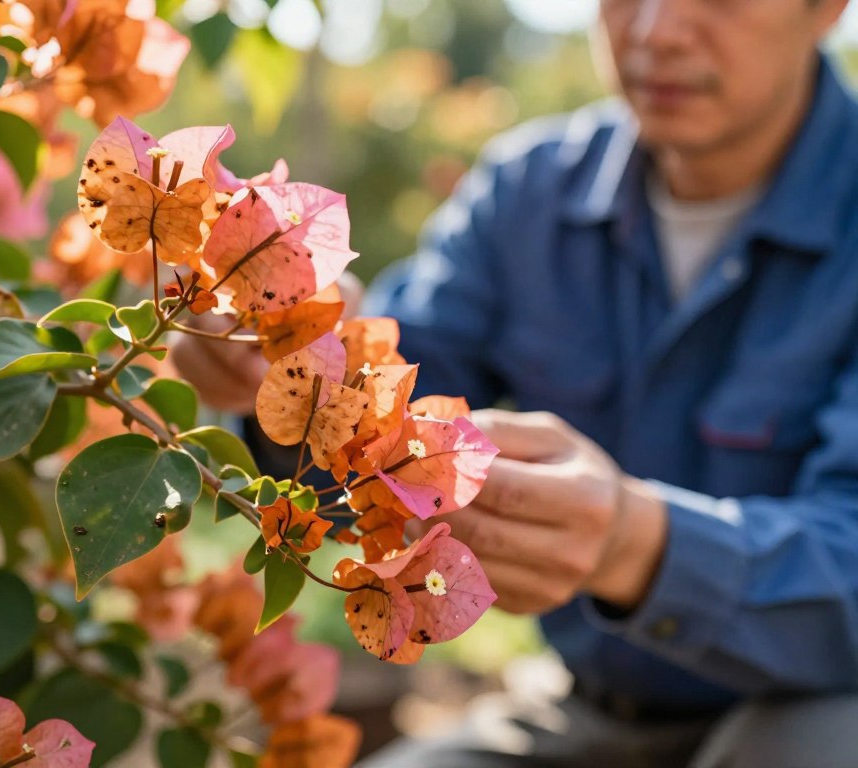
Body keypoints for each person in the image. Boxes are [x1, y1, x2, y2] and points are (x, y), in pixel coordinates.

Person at [174, 0, 858, 764]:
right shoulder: (530, 195)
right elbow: (376, 432)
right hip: (585, 719)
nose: (657, 31)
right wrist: (289, 376)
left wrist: (640, 547)